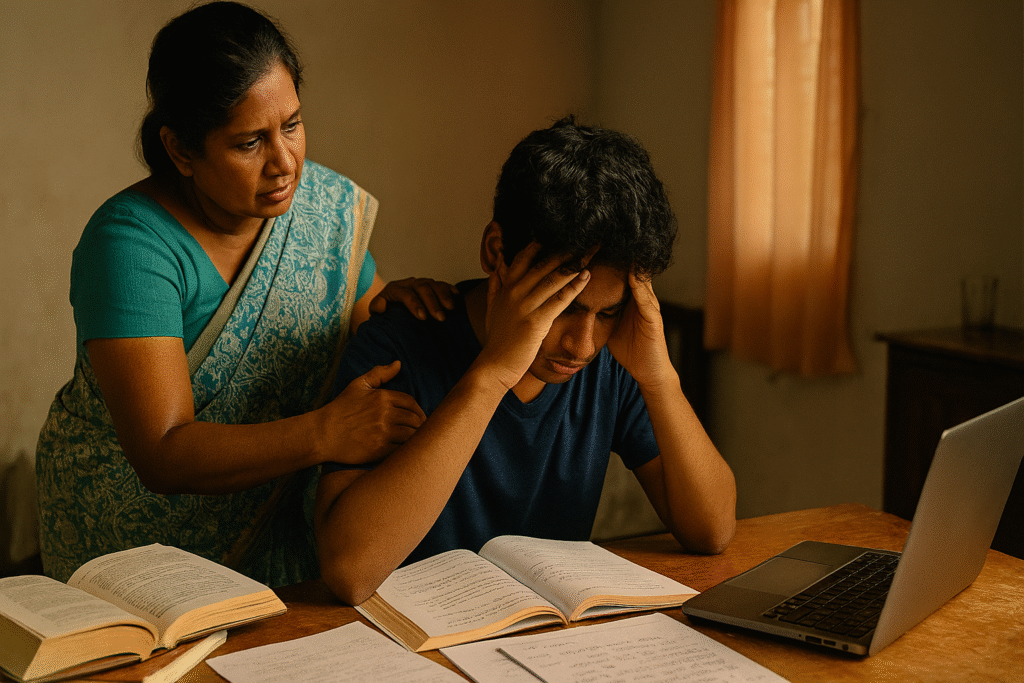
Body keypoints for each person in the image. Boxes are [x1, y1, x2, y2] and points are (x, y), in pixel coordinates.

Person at [35, 1, 455, 587]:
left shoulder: (319, 214)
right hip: (132, 555)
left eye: (292, 125)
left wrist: (405, 313)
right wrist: (325, 433)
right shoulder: (130, 245)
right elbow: (163, 452)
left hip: (280, 548)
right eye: (249, 143)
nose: (285, 163)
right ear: (181, 151)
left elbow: (369, 337)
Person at [315, 117, 737, 605]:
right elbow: (348, 571)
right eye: (563, 305)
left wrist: (660, 379)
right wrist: (492, 374)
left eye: (607, 313)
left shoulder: (614, 359)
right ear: (496, 251)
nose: (582, 345)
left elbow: (712, 530)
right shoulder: (397, 346)